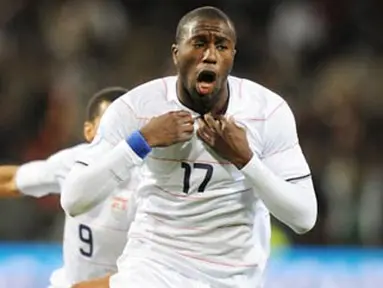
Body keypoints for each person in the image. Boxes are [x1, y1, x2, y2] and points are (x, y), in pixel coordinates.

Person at [62, 6, 317, 288]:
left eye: (221, 46)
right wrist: (140, 142)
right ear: (176, 54)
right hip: (153, 268)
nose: (209, 55)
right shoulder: (135, 108)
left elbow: (304, 217)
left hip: (234, 277)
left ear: (232, 56)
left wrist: (246, 161)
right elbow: (74, 199)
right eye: (198, 44)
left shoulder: (268, 112)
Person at [0, 87, 137, 288]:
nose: (119, 134)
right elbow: (12, 181)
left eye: (127, 127)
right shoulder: (72, 163)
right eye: (110, 125)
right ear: (89, 131)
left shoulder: (151, 180)